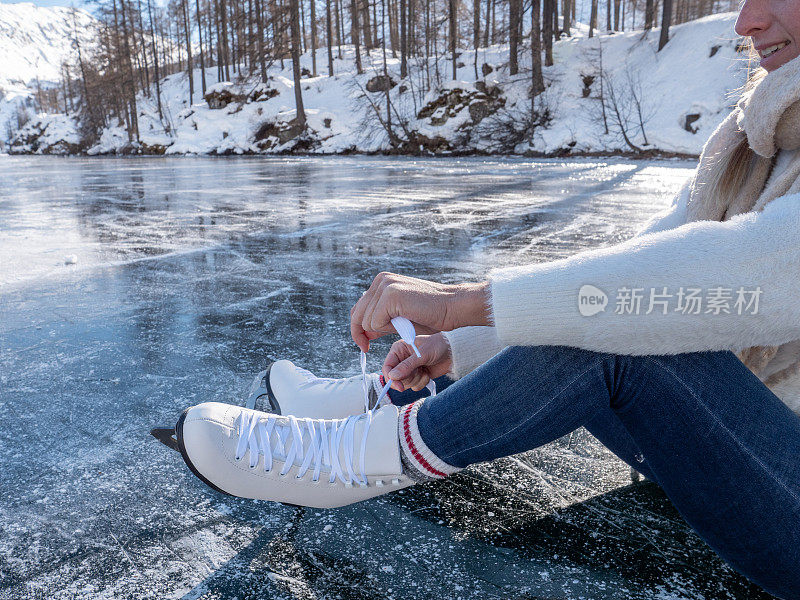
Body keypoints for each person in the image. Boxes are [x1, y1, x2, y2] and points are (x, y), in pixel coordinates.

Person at [172, 2, 800, 597]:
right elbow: (634, 271)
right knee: (604, 313)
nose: (747, 20)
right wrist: (458, 344)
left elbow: (758, 275)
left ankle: (355, 460)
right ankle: (374, 403)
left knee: (625, 342)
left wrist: (463, 303)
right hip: (751, 444)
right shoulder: (759, 137)